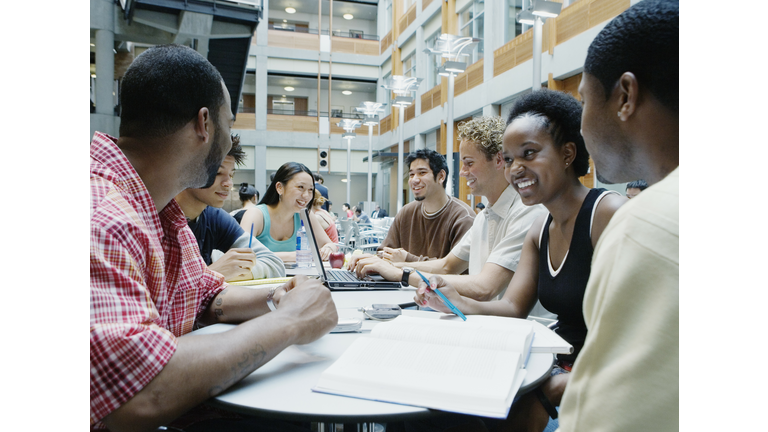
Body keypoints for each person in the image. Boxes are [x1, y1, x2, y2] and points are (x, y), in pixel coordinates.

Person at [90, 44, 337, 431]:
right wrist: (291, 321)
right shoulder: (103, 214)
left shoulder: (161, 211)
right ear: (204, 124)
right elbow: (137, 394)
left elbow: (203, 295)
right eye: (229, 124)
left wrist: (279, 297)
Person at [413, 89, 626, 432]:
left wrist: (554, 390)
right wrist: (456, 301)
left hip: (595, 379)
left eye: (529, 154)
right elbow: (513, 307)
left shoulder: (608, 213)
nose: (516, 169)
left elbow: (635, 336)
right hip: (554, 367)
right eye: (510, 159)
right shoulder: (540, 227)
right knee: (435, 407)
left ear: (568, 153)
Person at [557, 1, 679, 431]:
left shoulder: (643, 224)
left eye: (584, 100)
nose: (582, 126)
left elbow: (605, 419)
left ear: (625, 96)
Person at [351, 116, 547, 304]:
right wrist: (388, 265)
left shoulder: (527, 213)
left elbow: (485, 288)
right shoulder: (485, 217)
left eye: (469, 163)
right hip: (483, 319)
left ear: (498, 160)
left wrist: (401, 273)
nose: (462, 172)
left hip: (512, 325)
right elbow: (447, 265)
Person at [175, 136, 284, 281]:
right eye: (217, 173)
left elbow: (274, 264)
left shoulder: (214, 217)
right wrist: (211, 274)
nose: (229, 183)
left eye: (231, 175)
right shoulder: (156, 217)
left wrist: (228, 273)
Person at [377, 149, 475, 262]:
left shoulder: (463, 218)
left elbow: (451, 268)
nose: (414, 180)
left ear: (441, 176)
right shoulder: (406, 212)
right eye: (411, 174)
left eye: (422, 173)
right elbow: (383, 252)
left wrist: (407, 259)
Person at [239, 162, 338, 262]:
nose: (306, 196)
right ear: (279, 188)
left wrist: (328, 249)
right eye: (300, 187)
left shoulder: (304, 214)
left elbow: (330, 244)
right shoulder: (255, 215)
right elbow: (241, 254)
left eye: (310, 189)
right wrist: (296, 256)